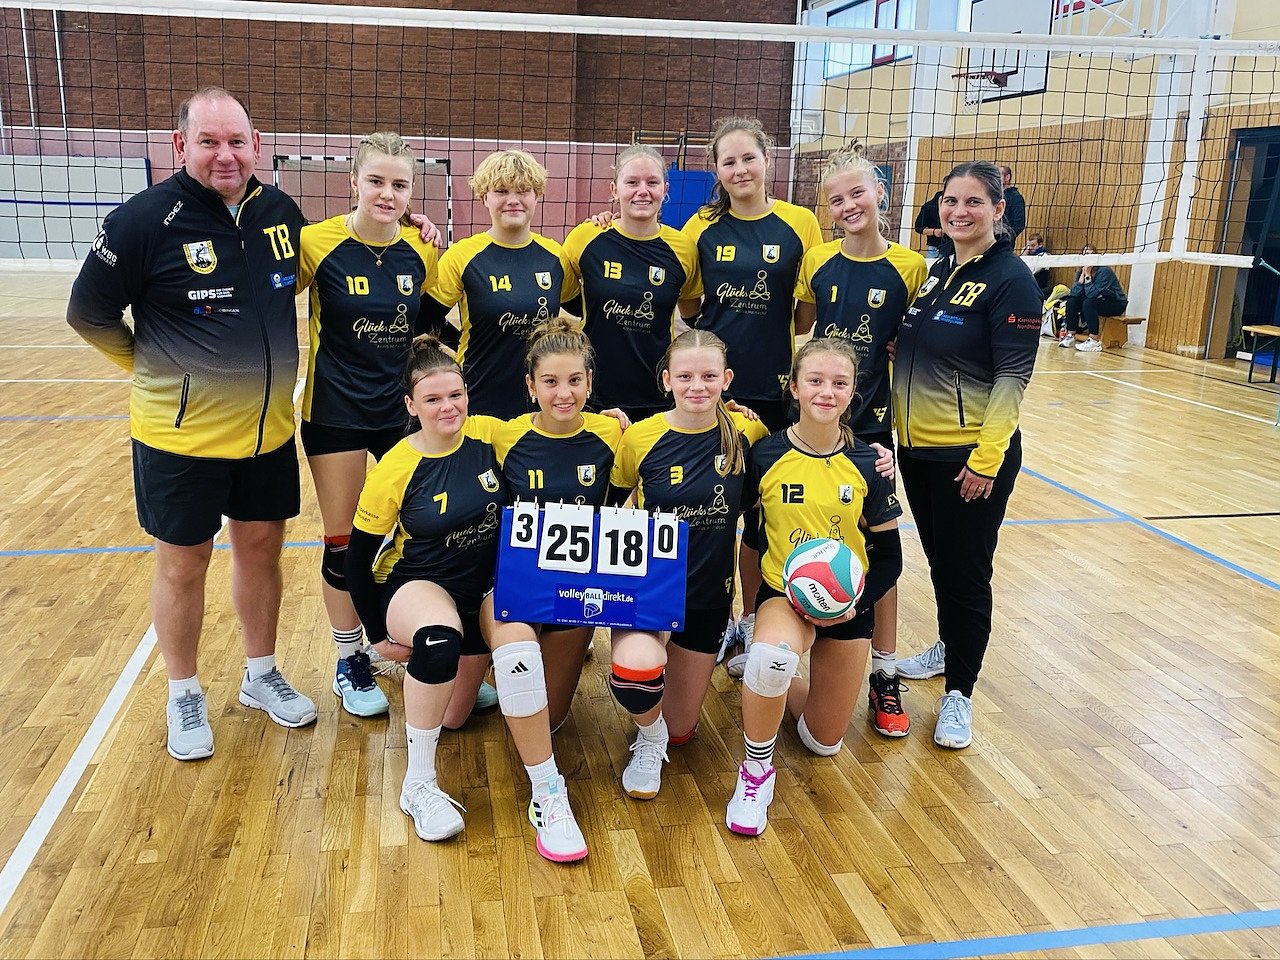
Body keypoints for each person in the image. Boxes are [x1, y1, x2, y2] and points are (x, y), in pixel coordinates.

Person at [66, 87, 314, 761]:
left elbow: (299, 278)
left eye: (236, 141)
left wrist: (410, 220)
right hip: (180, 437)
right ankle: (183, 691)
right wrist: (153, 367)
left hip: (267, 433)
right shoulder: (142, 221)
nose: (225, 155)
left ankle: (261, 674)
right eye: (209, 141)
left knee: (261, 549)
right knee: (184, 564)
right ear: (181, 145)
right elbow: (87, 313)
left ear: (256, 145)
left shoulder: (279, 213)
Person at [344, 335, 588, 861]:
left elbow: (551, 422)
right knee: (438, 642)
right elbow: (355, 560)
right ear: (411, 406)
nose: (448, 407)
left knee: (489, 683)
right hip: (420, 585)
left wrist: (611, 421)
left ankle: (548, 792)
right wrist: (377, 635)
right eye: (432, 399)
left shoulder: (487, 434)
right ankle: (418, 785)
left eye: (455, 395)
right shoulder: (394, 468)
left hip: (487, 586)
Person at [725, 337, 904, 836]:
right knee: (771, 658)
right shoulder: (765, 454)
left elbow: (890, 557)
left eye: (840, 383)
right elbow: (745, 531)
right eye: (816, 380)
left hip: (849, 605)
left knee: (822, 742)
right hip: (784, 597)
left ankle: (774, 688)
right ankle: (755, 773)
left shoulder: (870, 463)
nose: (827, 392)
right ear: (795, 387)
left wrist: (854, 606)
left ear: (854, 391)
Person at [890, 160, 1041, 748]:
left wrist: (986, 459)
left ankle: (960, 692)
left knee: (967, 574)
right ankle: (949, 646)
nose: (959, 212)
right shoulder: (939, 272)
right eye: (950, 201)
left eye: (973, 202)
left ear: (999, 210)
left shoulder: (1011, 280)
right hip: (919, 451)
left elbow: (1012, 378)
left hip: (969, 456)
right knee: (943, 564)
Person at [297, 132, 440, 719]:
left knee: (424, 531)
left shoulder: (421, 251)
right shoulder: (315, 243)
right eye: (376, 181)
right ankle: (349, 656)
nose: (387, 193)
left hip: (398, 412)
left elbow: (434, 324)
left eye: (399, 185)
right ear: (352, 182)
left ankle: (411, 644)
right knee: (343, 542)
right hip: (335, 411)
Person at [679, 117, 825, 668]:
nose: (740, 169)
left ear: (768, 160)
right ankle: (713, 622)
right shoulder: (700, 226)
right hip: (710, 393)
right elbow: (690, 305)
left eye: (748, 158)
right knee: (713, 512)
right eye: (728, 161)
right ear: (716, 170)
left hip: (772, 389)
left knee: (763, 514)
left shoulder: (800, 223)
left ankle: (752, 619)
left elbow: (806, 312)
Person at [792, 143, 927, 738]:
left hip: (873, 428)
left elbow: (921, 339)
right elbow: (804, 329)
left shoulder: (911, 267)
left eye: (858, 193)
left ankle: (885, 672)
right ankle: (787, 647)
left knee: (879, 546)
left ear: (881, 195)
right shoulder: (817, 261)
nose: (848, 205)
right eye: (836, 199)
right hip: (819, 421)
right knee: (806, 530)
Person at [606, 330, 768, 798]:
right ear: (666, 380)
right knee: (636, 677)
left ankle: (664, 727)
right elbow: (609, 510)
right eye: (685, 376)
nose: (697, 386)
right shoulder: (640, 437)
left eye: (709, 376)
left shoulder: (748, 433)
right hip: (648, 590)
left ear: (727, 379)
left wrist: (875, 455)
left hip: (707, 596)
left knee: (682, 730)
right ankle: (648, 737)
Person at [487, 318, 625, 731]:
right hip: (520, 583)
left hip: (577, 589)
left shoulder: (613, 432)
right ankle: (493, 654)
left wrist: (727, 411)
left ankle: (567, 644)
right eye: (550, 382)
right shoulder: (503, 437)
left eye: (574, 381)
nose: (564, 394)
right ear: (531, 386)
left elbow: (668, 435)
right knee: (465, 713)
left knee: (548, 720)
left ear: (589, 382)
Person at [422, 150, 579, 419]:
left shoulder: (556, 257)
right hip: (480, 395)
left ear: (537, 195)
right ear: (485, 197)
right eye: (501, 191)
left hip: (543, 403)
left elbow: (585, 310)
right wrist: (459, 345)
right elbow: (423, 319)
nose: (513, 200)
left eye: (523, 190)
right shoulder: (462, 256)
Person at [562, 144, 701, 422]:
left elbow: (691, 311)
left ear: (665, 189)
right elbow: (568, 297)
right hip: (594, 391)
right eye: (632, 182)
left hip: (658, 391)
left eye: (652, 182)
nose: (642, 191)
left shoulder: (684, 248)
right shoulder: (585, 237)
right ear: (614, 189)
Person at [1058, 243, 1128, 353]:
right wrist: (1081, 279)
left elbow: (1092, 294)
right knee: (1071, 301)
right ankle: (1070, 335)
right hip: (1097, 300)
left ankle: (1094, 340)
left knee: (1089, 303)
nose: (1089, 257)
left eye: (1092, 254)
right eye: (1086, 254)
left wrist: (1088, 276)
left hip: (1116, 303)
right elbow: (1074, 294)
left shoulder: (1104, 271)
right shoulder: (1080, 271)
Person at [913, 187, 952, 262]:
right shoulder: (928, 206)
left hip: (953, 247)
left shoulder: (957, 206)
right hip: (934, 247)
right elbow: (918, 227)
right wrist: (934, 232)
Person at [998, 165, 1026, 244]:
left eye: (998, 176)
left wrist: (1007, 237)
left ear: (1007, 177)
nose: (995, 179)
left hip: (1005, 244)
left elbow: (1019, 224)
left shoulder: (1015, 197)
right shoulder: (994, 196)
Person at [1021, 232, 1053, 298]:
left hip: (1040, 289)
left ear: (1040, 244)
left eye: (1033, 245)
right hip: (1029, 288)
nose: (1030, 248)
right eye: (1028, 246)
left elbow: (1031, 271)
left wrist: (1024, 257)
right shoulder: (1029, 255)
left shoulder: (1044, 256)